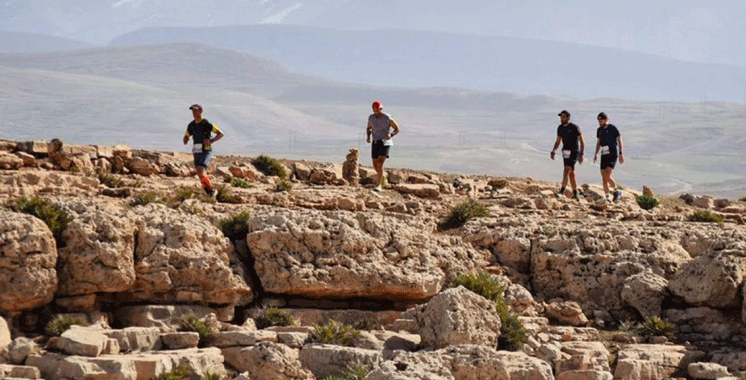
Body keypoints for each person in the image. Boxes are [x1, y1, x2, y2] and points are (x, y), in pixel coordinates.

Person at [183, 104, 224, 197]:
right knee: (199, 172)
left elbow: (220, 134)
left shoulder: (207, 123)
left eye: (196, 111)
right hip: (196, 151)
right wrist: (185, 139)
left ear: (201, 111)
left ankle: (212, 189)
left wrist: (211, 140)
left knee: (200, 169)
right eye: (192, 111)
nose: (194, 113)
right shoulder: (191, 125)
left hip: (206, 150)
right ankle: (209, 192)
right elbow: (187, 135)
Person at [366, 100, 400, 191]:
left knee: (380, 164)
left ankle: (379, 185)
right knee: (375, 164)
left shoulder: (388, 118)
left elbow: (397, 129)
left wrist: (391, 134)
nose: (376, 111)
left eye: (377, 109)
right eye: (374, 110)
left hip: (385, 142)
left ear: (381, 108)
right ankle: (383, 177)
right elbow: (369, 128)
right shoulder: (371, 118)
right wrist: (368, 137)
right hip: (375, 141)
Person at [550, 110, 585, 199]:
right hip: (565, 151)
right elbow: (558, 141)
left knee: (566, 170)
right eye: (561, 117)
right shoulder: (560, 128)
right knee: (571, 174)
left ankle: (562, 192)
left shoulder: (575, 127)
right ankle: (575, 194)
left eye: (563, 117)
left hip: (574, 151)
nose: (562, 119)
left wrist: (581, 154)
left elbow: (582, 142)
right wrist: (554, 150)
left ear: (568, 117)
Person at [593, 112, 624, 202]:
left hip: (612, 153)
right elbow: (598, 142)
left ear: (606, 120)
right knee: (603, 176)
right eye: (599, 121)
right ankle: (607, 197)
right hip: (604, 154)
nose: (600, 122)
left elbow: (619, 139)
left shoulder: (612, 128)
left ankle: (617, 190)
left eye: (601, 120)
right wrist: (596, 153)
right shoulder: (599, 130)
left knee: (607, 174)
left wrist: (621, 153)